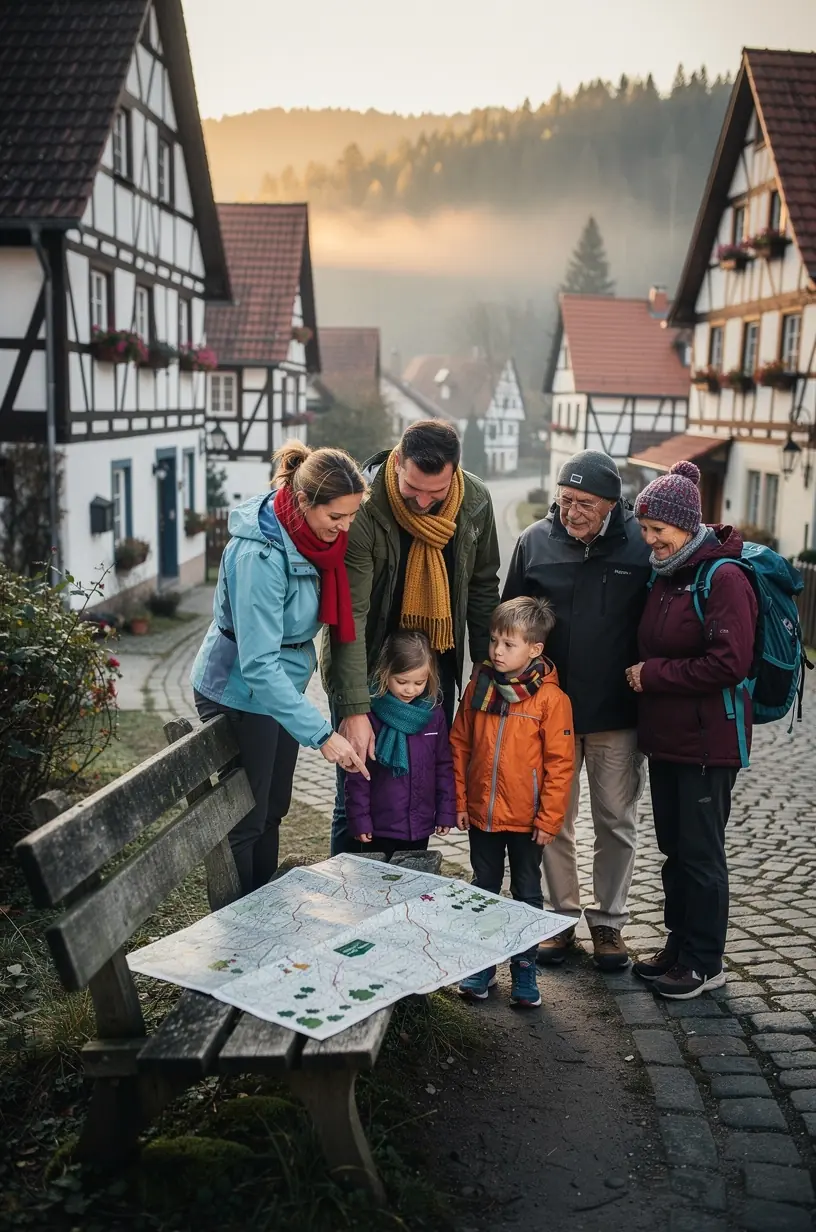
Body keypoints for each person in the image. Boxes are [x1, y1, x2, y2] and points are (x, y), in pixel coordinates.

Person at [191, 441, 370, 895]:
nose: (345, 527)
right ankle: (235, 921)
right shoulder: (260, 556)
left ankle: (262, 907)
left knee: (273, 808)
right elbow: (258, 664)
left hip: (279, 686)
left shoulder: (312, 538)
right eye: (337, 516)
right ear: (304, 500)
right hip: (238, 690)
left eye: (352, 515)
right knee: (248, 818)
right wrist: (323, 735)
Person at [502, 450, 651, 971]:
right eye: (565, 500)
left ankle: (608, 923)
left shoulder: (641, 545)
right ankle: (559, 918)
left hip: (617, 714)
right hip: (550, 717)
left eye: (585, 503)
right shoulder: (534, 542)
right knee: (552, 820)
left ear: (612, 502)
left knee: (616, 820)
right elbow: (511, 621)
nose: (572, 512)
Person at [324, 419, 501, 854]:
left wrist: (483, 672)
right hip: (367, 665)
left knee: (420, 782)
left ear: (455, 472)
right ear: (398, 461)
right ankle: (346, 891)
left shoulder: (475, 501)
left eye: (435, 492)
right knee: (356, 789)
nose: (422, 502)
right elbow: (351, 613)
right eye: (412, 488)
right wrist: (354, 707)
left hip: (432, 671)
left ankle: (408, 888)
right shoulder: (365, 507)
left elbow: (483, 587)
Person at [626, 460, 757, 999]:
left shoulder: (724, 578)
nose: (649, 540)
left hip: (708, 744)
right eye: (644, 529)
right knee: (675, 851)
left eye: (658, 529)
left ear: (685, 524)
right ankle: (678, 947)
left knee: (701, 856)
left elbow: (729, 663)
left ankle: (705, 962)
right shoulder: (668, 572)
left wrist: (653, 675)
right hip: (668, 741)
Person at [450, 597, 575, 1008]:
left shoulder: (552, 701)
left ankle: (524, 965)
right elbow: (460, 744)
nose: (497, 651)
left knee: (526, 892)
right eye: (494, 641)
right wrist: (460, 800)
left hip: (527, 820)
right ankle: (482, 964)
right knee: (483, 888)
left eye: (508, 644)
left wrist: (549, 818)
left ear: (535, 649)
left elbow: (560, 765)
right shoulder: (478, 688)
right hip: (483, 815)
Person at [344, 630, 456, 857]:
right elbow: (358, 774)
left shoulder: (433, 714)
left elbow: (443, 765)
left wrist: (445, 812)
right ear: (385, 673)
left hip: (419, 825)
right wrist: (360, 820)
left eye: (419, 682)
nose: (410, 690)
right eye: (402, 681)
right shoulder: (371, 715)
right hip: (379, 826)